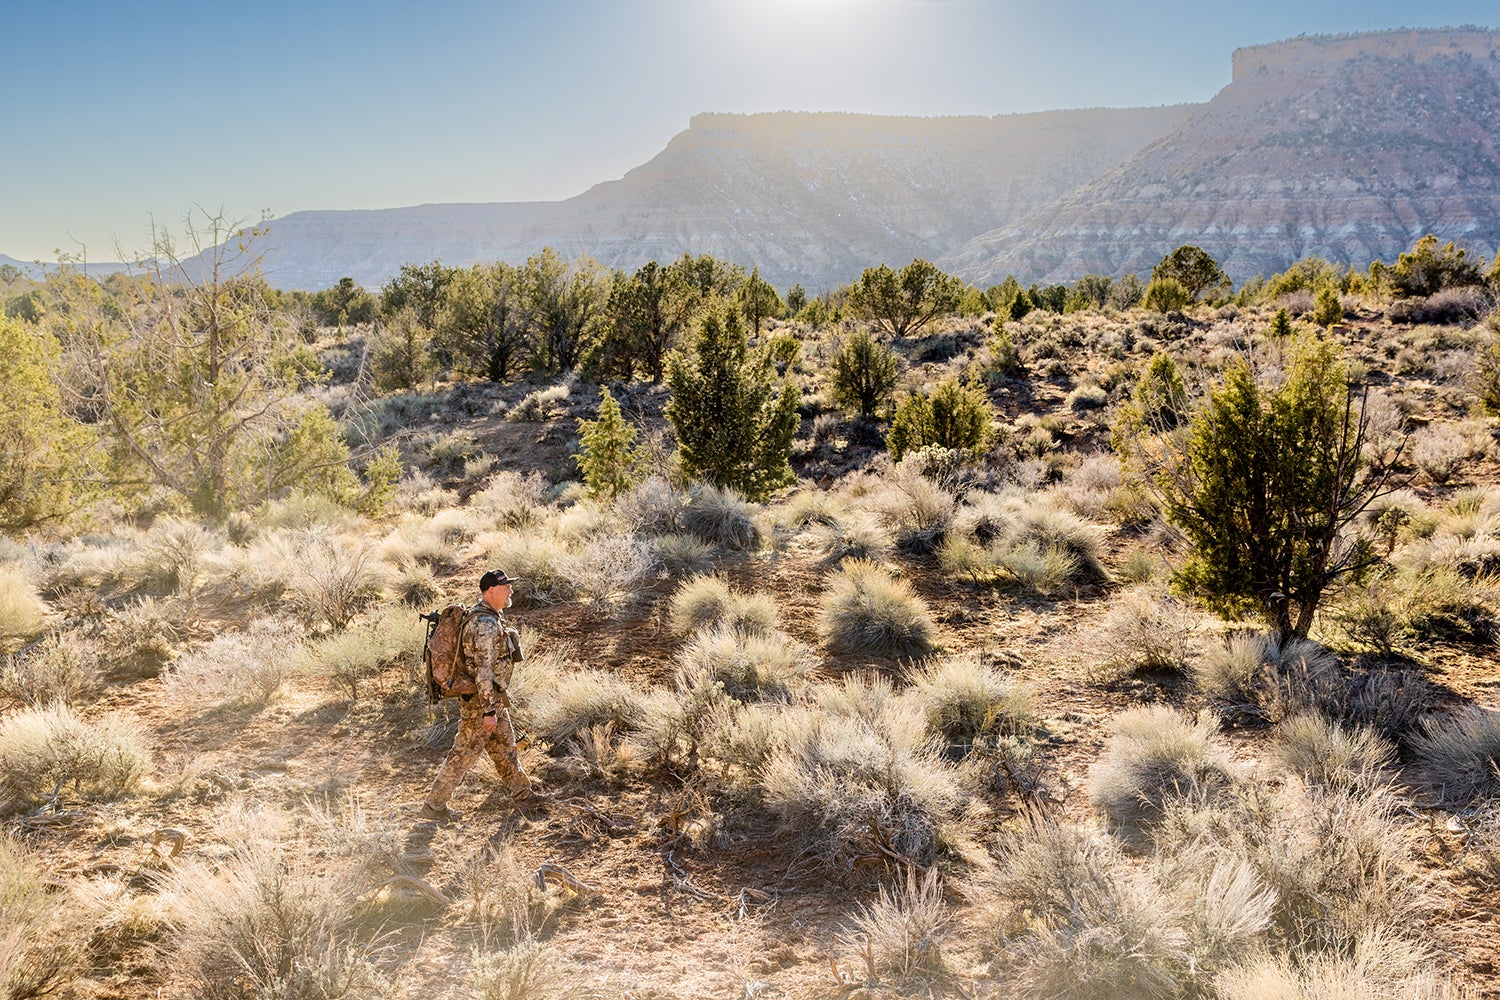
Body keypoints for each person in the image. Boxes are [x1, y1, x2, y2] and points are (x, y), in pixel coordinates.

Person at [421, 569, 538, 820]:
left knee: (506, 747)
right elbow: (483, 672)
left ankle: (523, 795)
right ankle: (434, 806)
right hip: (480, 702)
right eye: (506, 588)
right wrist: (488, 711)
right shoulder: (485, 624)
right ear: (492, 591)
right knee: (464, 754)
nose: (511, 592)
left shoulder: (487, 617)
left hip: (491, 699)